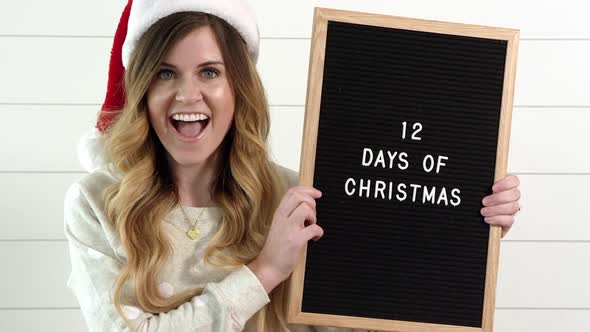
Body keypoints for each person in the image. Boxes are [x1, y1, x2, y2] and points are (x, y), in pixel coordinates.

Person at [64, 1, 522, 331]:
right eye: (166, 73)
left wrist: (461, 229)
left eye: (209, 72)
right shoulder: (97, 203)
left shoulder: (296, 199)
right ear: (142, 89)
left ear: (238, 88)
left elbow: (364, 320)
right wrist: (265, 271)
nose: (188, 95)